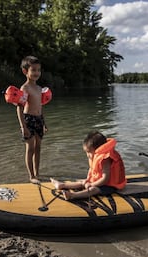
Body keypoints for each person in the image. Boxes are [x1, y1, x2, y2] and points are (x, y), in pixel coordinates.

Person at [50, 131, 127, 200]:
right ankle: (61, 185)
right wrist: (88, 180)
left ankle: (73, 195)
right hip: (100, 182)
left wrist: (91, 184)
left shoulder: (105, 159)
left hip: (110, 186)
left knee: (93, 189)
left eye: (89, 152)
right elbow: (91, 169)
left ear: (98, 150)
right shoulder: (96, 156)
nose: (87, 155)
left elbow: (105, 179)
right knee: (83, 182)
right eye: (86, 152)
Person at [16, 56, 48, 184]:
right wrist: (23, 127)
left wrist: (44, 123)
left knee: (38, 148)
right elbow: (19, 107)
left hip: (39, 119)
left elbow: (41, 107)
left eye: (39, 70)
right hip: (28, 120)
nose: (36, 73)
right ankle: (31, 176)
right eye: (33, 70)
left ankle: (37, 173)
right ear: (25, 71)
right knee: (30, 148)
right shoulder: (25, 88)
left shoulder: (39, 89)